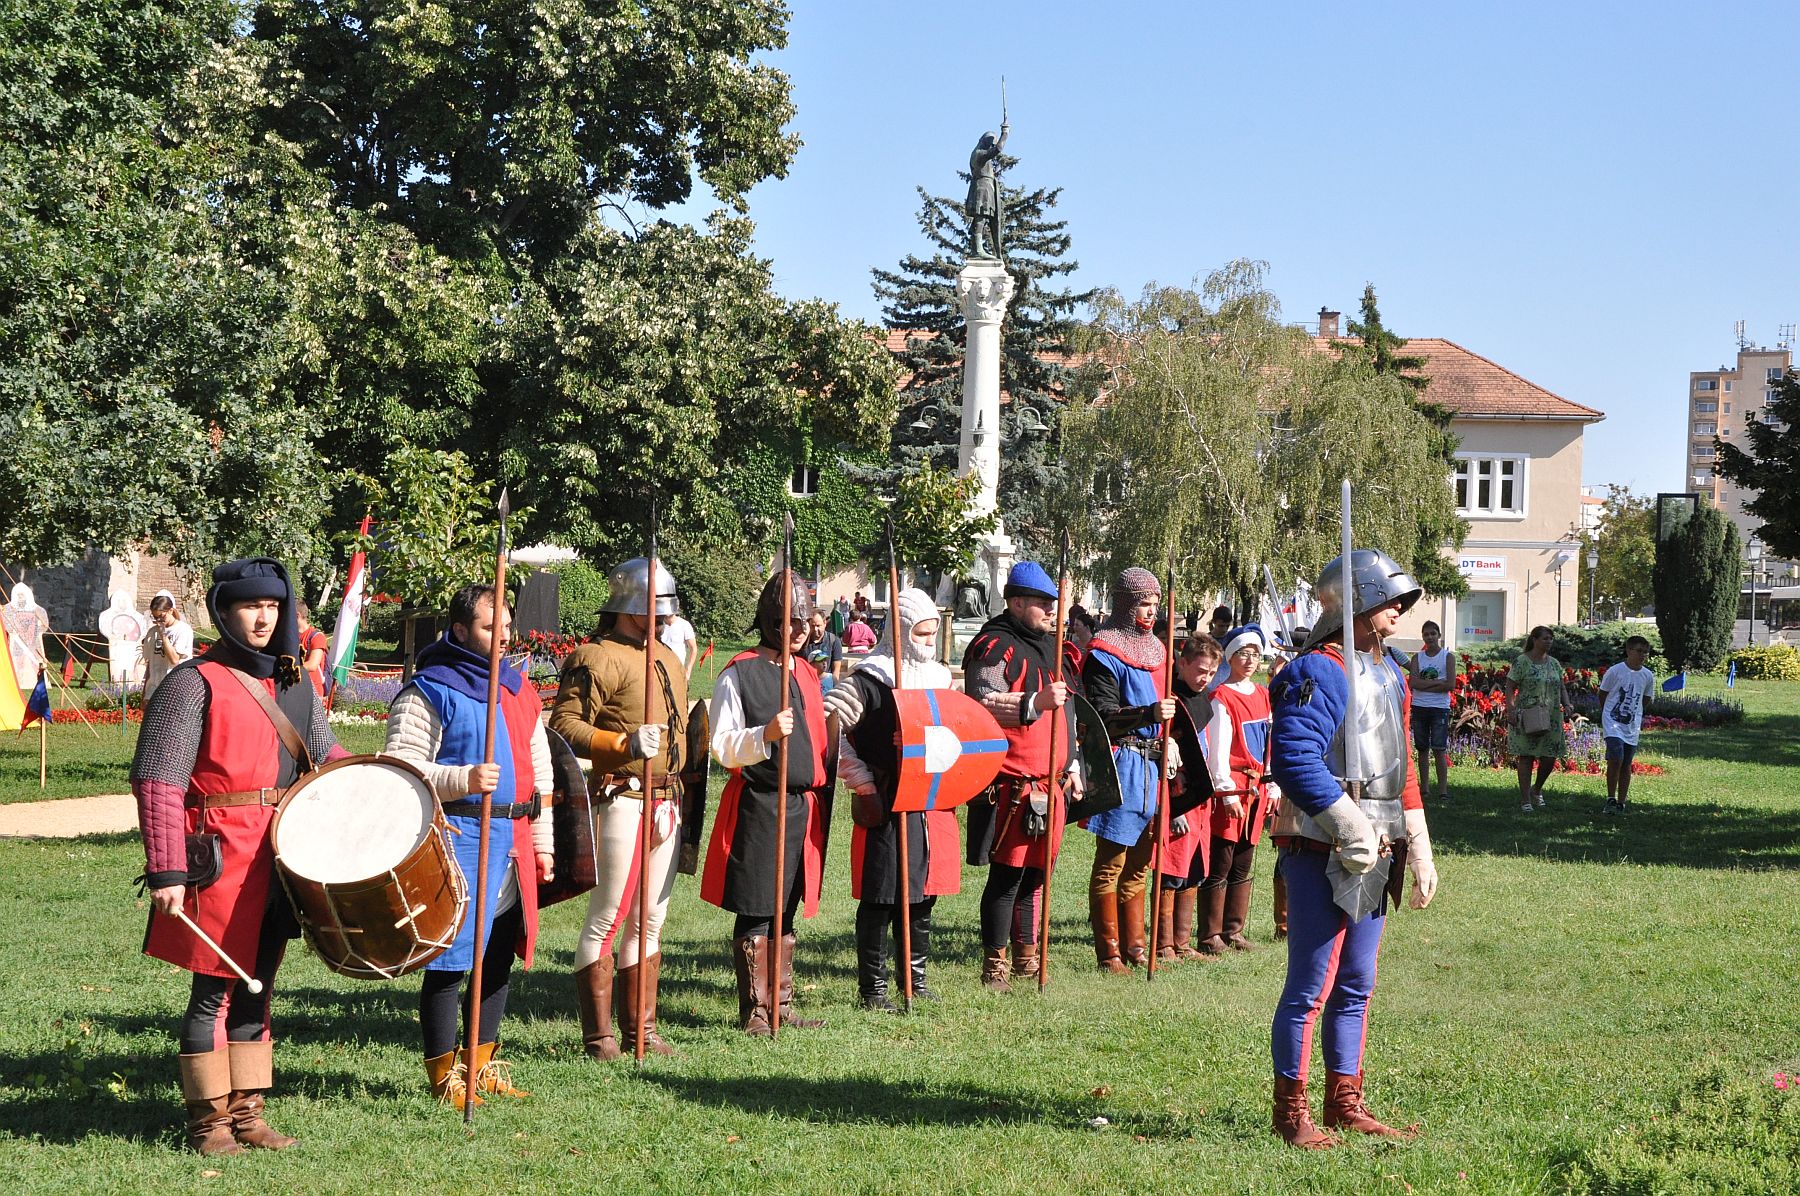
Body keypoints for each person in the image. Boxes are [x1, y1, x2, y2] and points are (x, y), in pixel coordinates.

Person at [132, 558, 344, 1155]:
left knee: (259, 985)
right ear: (225, 612)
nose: (263, 617)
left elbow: (326, 758)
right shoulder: (191, 682)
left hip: (281, 853)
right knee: (214, 988)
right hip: (219, 855)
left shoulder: (297, 684)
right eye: (251, 606)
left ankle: (248, 1114)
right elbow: (158, 782)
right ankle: (208, 1123)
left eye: (273, 607)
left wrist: (383, 784)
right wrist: (167, 868)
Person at [1266, 549, 1439, 1149]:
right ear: (1358, 602)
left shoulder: (1390, 672)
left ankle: (1345, 1101)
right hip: (1319, 843)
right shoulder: (1318, 670)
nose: (1400, 609)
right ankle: (1291, 1112)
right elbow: (1293, 759)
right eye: (1390, 599)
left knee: (1357, 982)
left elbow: (1402, 765)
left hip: (1380, 840)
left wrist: (1418, 844)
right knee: (1311, 986)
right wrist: (1346, 822)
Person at [385, 584, 553, 1105]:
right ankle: (443, 1078)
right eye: (489, 627)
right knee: (451, 962)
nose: (503, 634)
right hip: (459, 839)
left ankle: (480, 1064)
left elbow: (538, 772)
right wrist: (461, 779)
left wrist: (542, 841)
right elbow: (400, 768)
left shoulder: (518, 689)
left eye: (506, 624)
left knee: (498, 957)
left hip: (513, 843)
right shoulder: (430, 688)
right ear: (460, 631)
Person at [549, 558, 690, 1059]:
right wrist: (622, 742)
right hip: (622, 796)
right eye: (658, 610)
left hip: (666, 799)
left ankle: (642, 1032)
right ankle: (599, 1037)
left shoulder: (669, 658)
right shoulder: (596, 656)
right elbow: (564, 725)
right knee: (608, 917)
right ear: (632, 605)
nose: (666, 620)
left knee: (650, 919)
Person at [703, 570, 830, 1035]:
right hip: (761, 803)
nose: (799, 631)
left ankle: (781, 1002)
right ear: (770, 621)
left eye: (803, 622)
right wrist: (766, 735)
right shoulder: (740, 672)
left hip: (803, 808)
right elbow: (721, 744)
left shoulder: (809, 674)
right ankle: (756, 1010)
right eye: (790, 622)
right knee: (758, 906)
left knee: (787, 906)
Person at [825, 588, 959, 1010]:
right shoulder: (870, 677)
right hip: (884, 797)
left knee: (922, 894)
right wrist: (863, 781)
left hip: (929, 799)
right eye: (920, 635)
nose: (928, 643)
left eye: (932, 634)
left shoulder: (940, 677)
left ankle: (914, 981)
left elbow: (960, 734)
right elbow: (835, 733)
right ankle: (874, 990)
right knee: (881, 896)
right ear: (900, 632)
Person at [963, 560, 1073, 991]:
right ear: (1017, 602)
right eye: (1043, 604)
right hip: (1013, 784)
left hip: (1053, 780)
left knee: (1037, 875)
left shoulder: (1052, 646)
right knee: (1008, 876)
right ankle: (995, 967)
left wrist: (1074, 763)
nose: (1052, 611)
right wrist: (1031, 703)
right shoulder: (994, 645)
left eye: (1053, 603)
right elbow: (980, 701)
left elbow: (1068, 710)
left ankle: (1028, 956)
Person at [1080, 568, 1180, 974]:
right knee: (1112, 862)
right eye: (1144, 603)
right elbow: (1101, 716)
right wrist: (1148, 714)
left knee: (1141, 863)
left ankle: (1137, 947)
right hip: (1123, 762)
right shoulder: (1104, 653)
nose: (1151, 611)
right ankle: (1109, 953)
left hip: (1155, 765)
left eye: (1155, 604)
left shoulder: (1159, 650)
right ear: (1125, 604)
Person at [1195, 626, 1276, 955]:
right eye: (1244, 653)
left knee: (1244, 859)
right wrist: (1226, 791)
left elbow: (1270, 744)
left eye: (1256, 654)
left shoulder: (1263, 695)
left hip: (1257, 788)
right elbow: (1219, 750)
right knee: (1223, 860)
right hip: (1234, 787)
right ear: (1231, 657)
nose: (1251, 660)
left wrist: (1273, 783)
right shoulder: (1221, 697)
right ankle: (1211, 934)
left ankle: (1234, 930)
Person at [1158, 634, 1221, 963]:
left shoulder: (1203, 701)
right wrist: (1174, 807)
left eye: (1211, 673)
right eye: (1200, 671)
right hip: (1178, 795)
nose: (1205, 678)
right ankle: (1164, 944)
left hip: (1200, 798)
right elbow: (1168, 760)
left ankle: (1182, 943)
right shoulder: (1172, 701)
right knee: (1171, 870)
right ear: (1182, 664)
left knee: (1195, 867)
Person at [1504, 626, 1569, 813]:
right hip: (1528, 715)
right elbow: (1510, 686)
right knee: (1526, 756)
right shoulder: (1522, 662)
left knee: (1549, 757)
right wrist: (1511, 709)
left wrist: (1568, 704)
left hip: (1552, 716)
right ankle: (1525, 799)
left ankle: (1537, 789)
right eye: (1545, 638)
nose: (1549, 641)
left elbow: (1562, 686)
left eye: (1551, 638)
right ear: (1534, 640)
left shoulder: (1554, 663)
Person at [1599, 635, 1655, 815]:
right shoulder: (1615, 671)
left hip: (1632, 725)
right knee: (1616, 757)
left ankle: (1622, 801)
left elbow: (1646, 699)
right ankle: (1610, 798)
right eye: (1639, 651)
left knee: (1626, 763)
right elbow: (1603, 694)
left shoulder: (1647, 675)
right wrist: (1608, 713)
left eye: (1645, 652)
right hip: (1612, 722)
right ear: (1629, 651)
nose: (1642, 655)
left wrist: (1635, 713)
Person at [1407, 620, 1454, 802]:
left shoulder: (1447, 657)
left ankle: (1443, 791)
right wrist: (1437, 683)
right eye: (1426, 634)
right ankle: (1424, 789)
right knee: (1422, 749)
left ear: (1439, 635)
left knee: (1439, 749)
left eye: (1433, 634)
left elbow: (1450, 685)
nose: (1430, 637)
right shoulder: (1417, 658)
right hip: (1420, 707)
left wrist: (1426, 685)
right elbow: (1414, 683)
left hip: (1440, 708)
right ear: (1423, 637)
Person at [141, 591, 196, 701]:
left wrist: (164, 636)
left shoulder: (183, 630)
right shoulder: (152, 632)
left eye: (161, 616)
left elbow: (174, 659)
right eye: (155, 618)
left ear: (170, 610)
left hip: (175, 687)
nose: (158, 621)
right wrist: (144, 694)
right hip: (153, 689)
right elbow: (149, 664)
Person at [295, 600, 328, 697]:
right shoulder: (291, 636)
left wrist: (288, 670)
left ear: (297, 616)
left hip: (313, 691)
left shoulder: (316, 636)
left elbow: (312, 665)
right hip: (295, 687)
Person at [804, 610, 845, 685]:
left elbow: (836, 668)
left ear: (825, 623)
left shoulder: (834, 641)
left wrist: (833, 686)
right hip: (807, 683)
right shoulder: (803, 641)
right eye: (812, 626)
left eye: (818, 625)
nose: (815, 629)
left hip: (825, 685)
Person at [658, 608, 698, 680]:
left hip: (678, 670)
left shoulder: (684, 625)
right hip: (660, 669)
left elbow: (693, 648)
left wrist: (688, 670)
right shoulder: (657, 625)